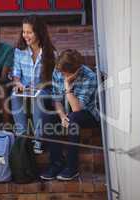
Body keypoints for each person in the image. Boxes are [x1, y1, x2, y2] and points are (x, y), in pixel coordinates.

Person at [40, 49, 100, 181]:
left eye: (64, 74)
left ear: (76, 70)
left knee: (74, 119)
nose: (61, 75)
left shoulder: (89, 77)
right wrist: (61, 116)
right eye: (60, 72)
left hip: (87, 114)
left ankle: (72, 167)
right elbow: (56, 99)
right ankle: (56, 163)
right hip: (67, 110)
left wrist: (67, 87)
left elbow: (77, 108)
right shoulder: (58, 70)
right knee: (48, 116)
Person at [11, 15, 56, 154]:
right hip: (25, 89)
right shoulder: (19, 51)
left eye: (29, 32)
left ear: (39, 32)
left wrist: (39, 87)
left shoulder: (50, 53)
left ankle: (38, 140)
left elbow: (54, 80)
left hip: (44, 90)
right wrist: (18, 83)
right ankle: (22, 136)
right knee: (14, 94)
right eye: (24, 32)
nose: (25, 35)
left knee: (38, 97)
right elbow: (16, 74)